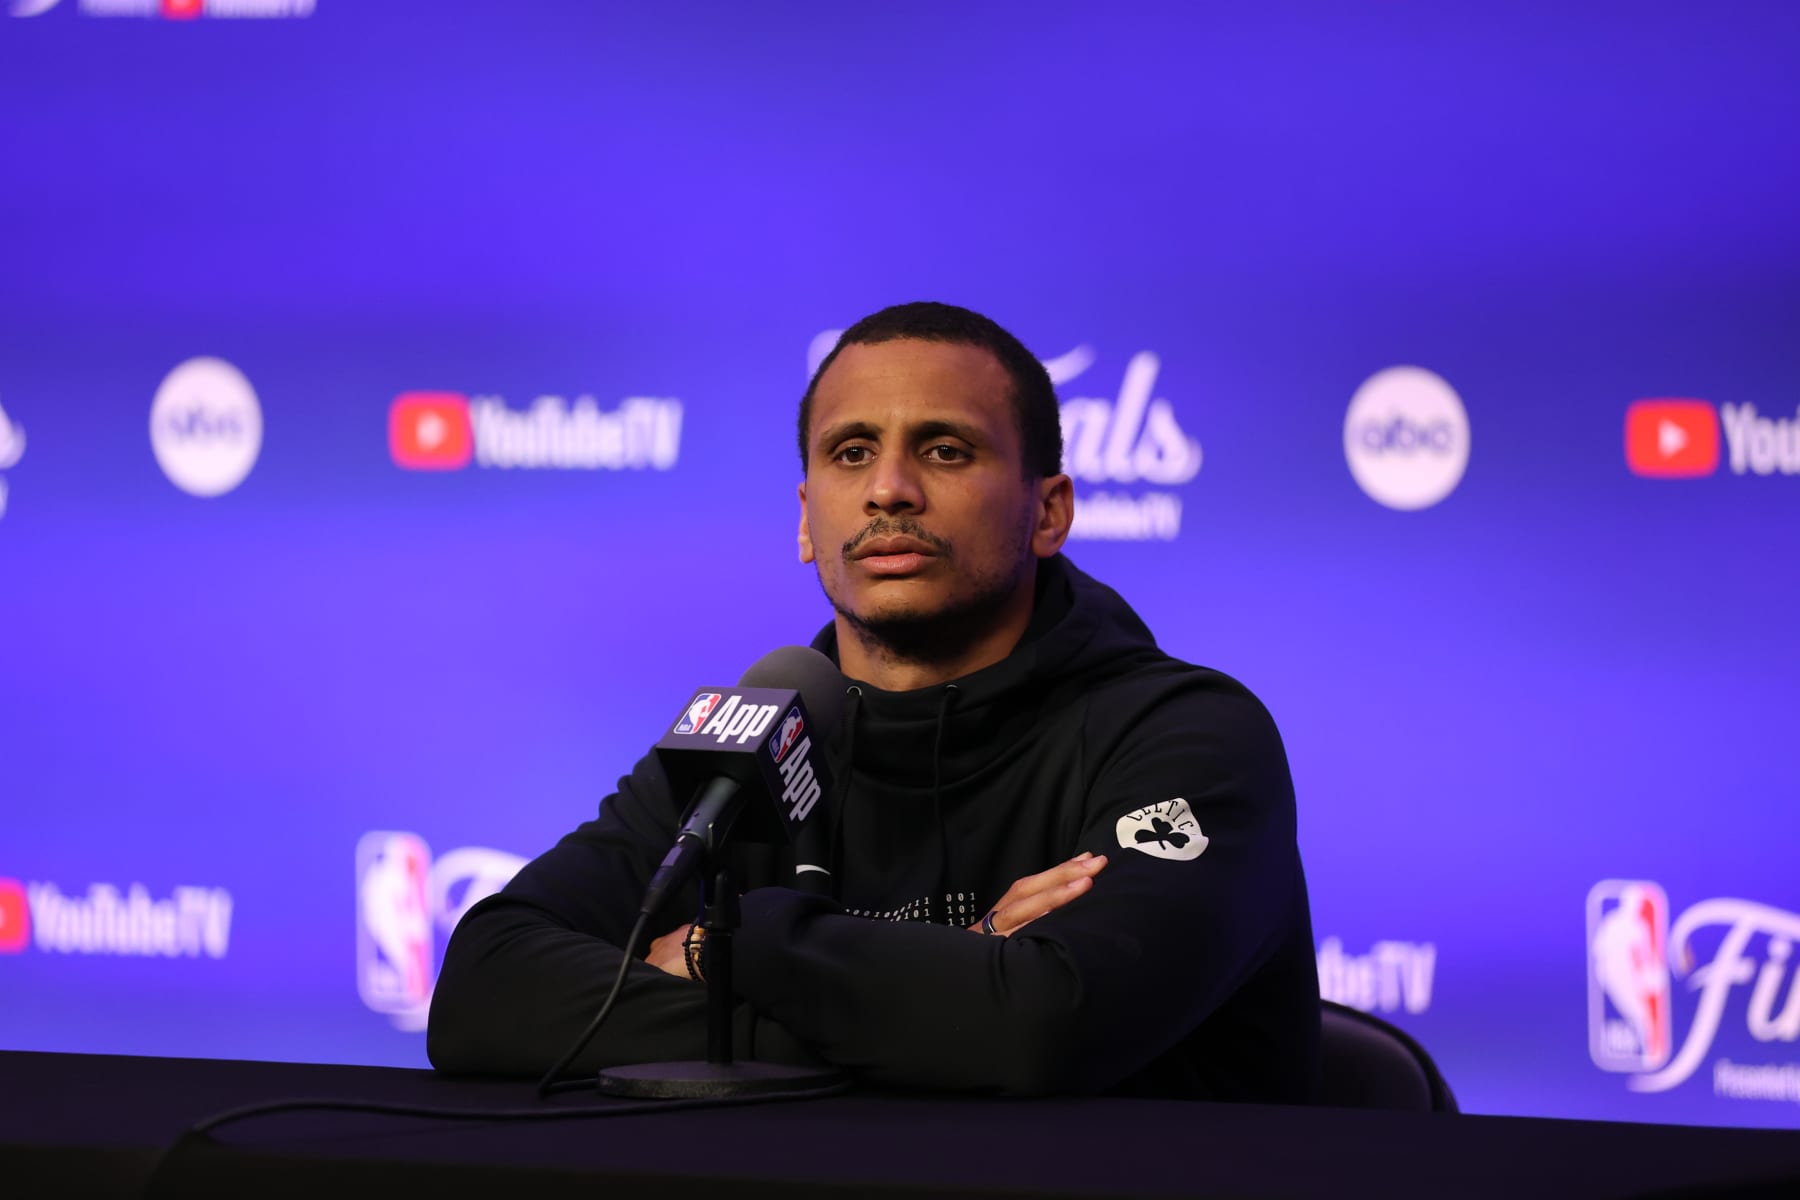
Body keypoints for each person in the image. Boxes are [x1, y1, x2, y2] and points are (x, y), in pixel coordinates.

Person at [428, 302, 1320, 1100]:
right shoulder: (757, 730)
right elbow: (482, 993)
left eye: (944, 449)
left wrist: (720, 950)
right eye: (852, 453)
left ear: (1048, 511)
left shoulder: (1189, 734)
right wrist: (959, 987)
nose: (890, 488)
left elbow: (1048, 1029)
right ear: (810, 520)